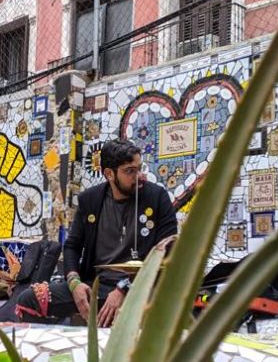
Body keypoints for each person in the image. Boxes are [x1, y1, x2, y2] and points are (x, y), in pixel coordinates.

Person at [15, 139, 178, 326]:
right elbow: (72, 246)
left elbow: (168, 250)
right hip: (96, 287)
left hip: (142, 288)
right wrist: (74, 283)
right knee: (29, 299)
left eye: (140, 168)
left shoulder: (157, 197)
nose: (139, 176)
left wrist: (123, 289)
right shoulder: (90, 200)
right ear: (109, 174)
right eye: (130, 171)